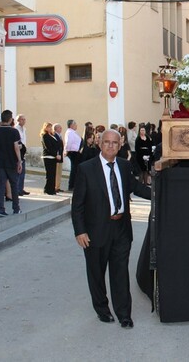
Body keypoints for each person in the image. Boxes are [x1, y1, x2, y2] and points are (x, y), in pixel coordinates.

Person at [71, 129, 151, 328]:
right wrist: (80, 231)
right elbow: (77, 204)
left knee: (120, 272)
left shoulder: (124, 166)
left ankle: (124, 314)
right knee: (96, 273)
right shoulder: (86, 169)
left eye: (114, 143)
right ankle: (102, 309)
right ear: (99, 143)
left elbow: (136, 187)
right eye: (106, 142)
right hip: (95, 231)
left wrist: (161, 192)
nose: (110, 146)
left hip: (121, 228)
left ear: (120, 144)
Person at [0, 110, 22, 216]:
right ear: (10, 119)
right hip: (11, 162)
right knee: (14, 185)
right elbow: (16, 148)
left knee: (1, 186)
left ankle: (0, 209)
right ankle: (16, 208)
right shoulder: (14, 132)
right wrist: (19, 161)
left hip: (1, 163)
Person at [40, 122, 61, 195]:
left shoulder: (52, 135)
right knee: (50, 174)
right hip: (48, 156)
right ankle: (49, 189)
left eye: (50, 127)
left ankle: (51, 188)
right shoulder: (44, 136)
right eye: (48, 127)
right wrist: (55, 155)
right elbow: (48, 147)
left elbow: (57, 144)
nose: (50, 128)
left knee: (53, 174)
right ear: (45, 128)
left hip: (53, 157)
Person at [64, 119, 83, 191]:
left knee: (76, 169)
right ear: (71, 125)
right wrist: (67, 151)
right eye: (75, 124)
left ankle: (74, 185)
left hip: (76, 152)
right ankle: (71, 185)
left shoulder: (73, 132)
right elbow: (68, 143)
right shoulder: (69, 132)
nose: (76, 125)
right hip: (73, 152)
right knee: (74, 169)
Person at [15, 114, 30, 196]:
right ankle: (17, 189)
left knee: (23, 171)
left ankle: (21, 188)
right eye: (22, 119)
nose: (24, 121)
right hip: (19, 149)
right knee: (19, 171)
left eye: (24, 119)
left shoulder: (24, 129)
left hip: (23, 150)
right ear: (18, 120)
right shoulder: (16, 129)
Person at [53, 123, 64, 193]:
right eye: (60, 128)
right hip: (57, 157)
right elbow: (56, 146)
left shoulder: (59, 136)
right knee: (56, 172)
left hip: (60, 156)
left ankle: (58, 186)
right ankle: (55, 187)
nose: (61, 129)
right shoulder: (54, 135)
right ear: (56, 128)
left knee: (59, 173)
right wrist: (57, 154)